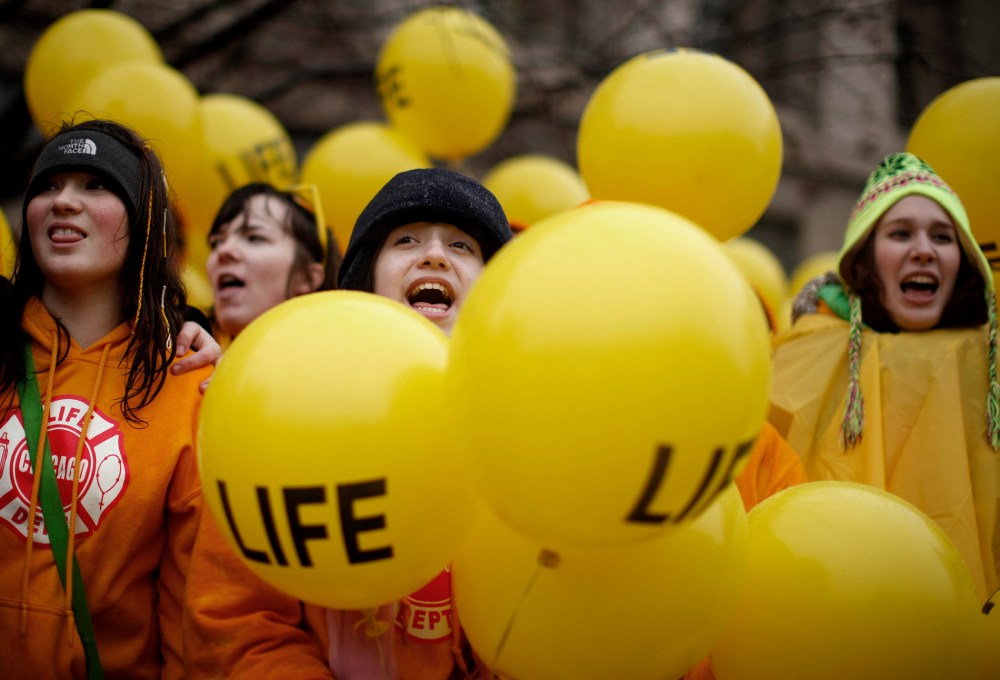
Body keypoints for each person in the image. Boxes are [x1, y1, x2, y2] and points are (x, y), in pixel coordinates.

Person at [184, 167, 513, 679]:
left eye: (462, 246)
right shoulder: (288, 407)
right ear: (367, 280)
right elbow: (238, 618)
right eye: (405, 240)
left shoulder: (529, 422)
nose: (433, 255)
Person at [0, 118, 213, 678]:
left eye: (96, 185)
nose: (63, 201)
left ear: (143, 223)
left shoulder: (188, 383)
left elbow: (192, 610)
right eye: (47, 186)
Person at [768, 151, 999, 602]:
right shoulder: (805, 352)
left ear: (963, 258)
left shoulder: (989, 360)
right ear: (867, 260)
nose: (924, 250)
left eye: (942, 236)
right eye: (900, 233)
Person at [204, 182, 340, 344]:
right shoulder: (183, 354)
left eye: (254, 237)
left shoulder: (339, 365)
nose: (223, 250)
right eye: (216, 243)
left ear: (306, 278)